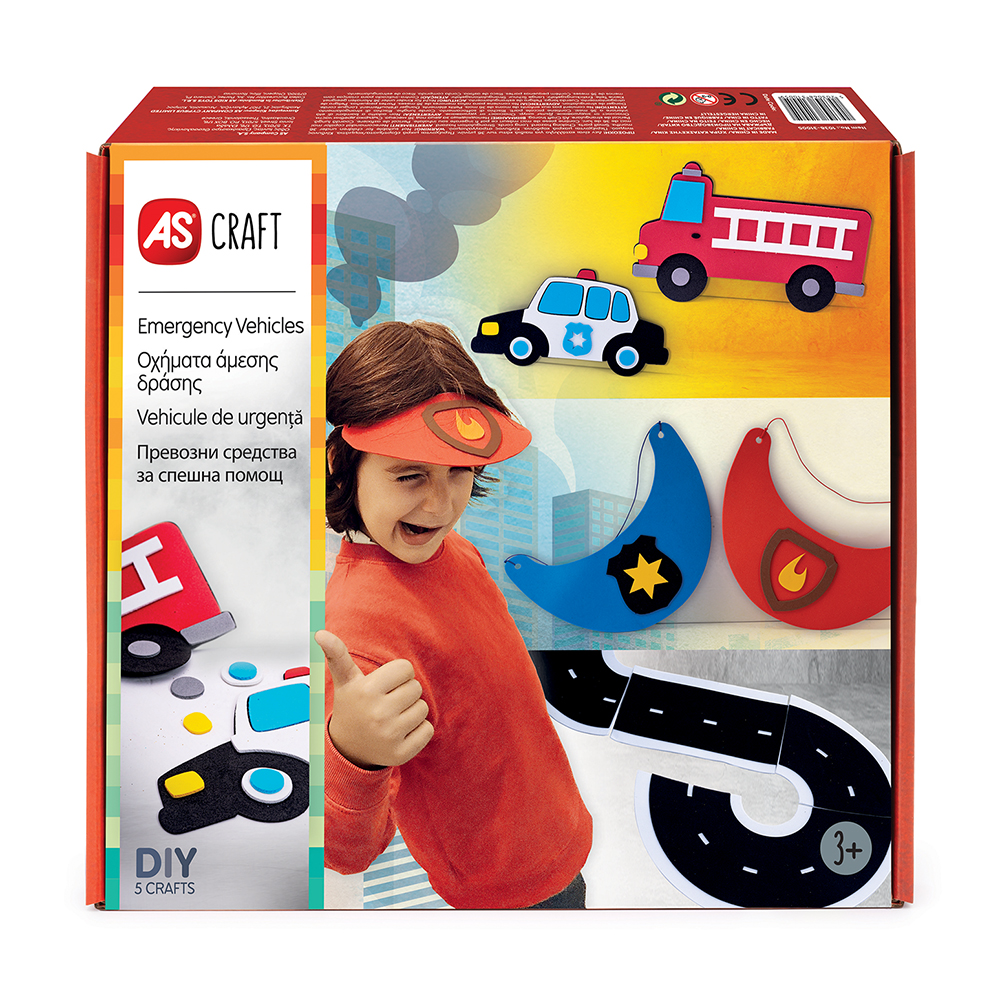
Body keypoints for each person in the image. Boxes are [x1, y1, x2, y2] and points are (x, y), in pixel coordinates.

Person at [319, 319, 592, 909]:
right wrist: (353, 753)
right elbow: (345, 851)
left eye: (459, 470)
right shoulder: (357, 632)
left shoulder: (457, 552)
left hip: (560, 837)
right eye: (410, 475)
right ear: (342, 462)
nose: (441, 506)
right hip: (501, 894)